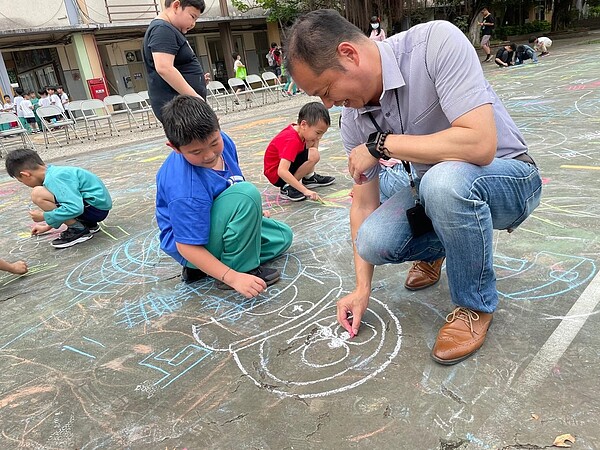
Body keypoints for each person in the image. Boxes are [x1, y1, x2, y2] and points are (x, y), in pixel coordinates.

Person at [285, 10, 542, 365]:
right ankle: (437, 248)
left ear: (349, 53)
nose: (327, 104)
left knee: (440, 182)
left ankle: (473, 304)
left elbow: (480, 145)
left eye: (326, 90)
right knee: (373, 240)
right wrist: (362, 290)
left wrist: (381, 146)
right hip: (437, 188)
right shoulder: (354, 119)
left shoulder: (435, 44)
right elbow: (362, 204)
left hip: (510, 178)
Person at [155, 95, 293, 297]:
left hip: (214, 225)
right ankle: (239, 268)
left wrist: (252, 213)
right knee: (247, 194)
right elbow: (185, 245)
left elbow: (233, 183)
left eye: (213, 143)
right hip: (191, 245)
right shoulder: (185, 187)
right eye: (196, 151)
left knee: (281, 237)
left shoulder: (224, 142)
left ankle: (207, 267)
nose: (209, 155)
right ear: (175, 148)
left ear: (218, 126)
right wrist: (233, 277)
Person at [5, 148, 113, 249]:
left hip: (94, 210)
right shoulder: (54, 172)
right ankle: (88, 225)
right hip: (95, 208)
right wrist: (48, 226)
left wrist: (44, 216)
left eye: (21, 181)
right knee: (51, 195)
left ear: (25, 175)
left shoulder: (55, 178)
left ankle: (78, 230)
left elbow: (75, 208)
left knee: (37, 194)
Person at [142, 0, 207, 122]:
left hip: (185, 107)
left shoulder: (169, 29)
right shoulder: (162, 29)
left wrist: (198, 80)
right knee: (212, 139)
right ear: (176, 6)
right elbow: (164, 68)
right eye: (192, 17)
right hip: (181, 110)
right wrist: (196, 98)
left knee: (213, 139)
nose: (193, 24)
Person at [263, 102, 335, 202]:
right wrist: (305, 191)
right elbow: (282, 171)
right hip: (277, 175)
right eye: (318, 133)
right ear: (303, 124)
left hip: (282, 168)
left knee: (312, 148)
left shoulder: (301, 131)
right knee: (313, 154)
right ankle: (287, 187)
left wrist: (315, 139)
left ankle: (309, 177)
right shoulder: (291, 139)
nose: (319, 137)